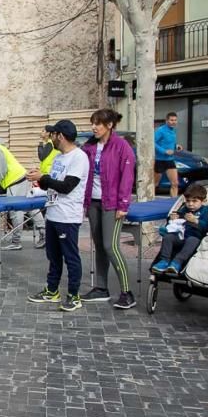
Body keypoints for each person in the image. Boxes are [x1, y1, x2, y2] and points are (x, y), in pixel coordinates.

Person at [25, 120, 89, 312]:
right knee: (53, 256)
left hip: (68, 216)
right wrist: (40, 178)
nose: (50, 137)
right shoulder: (59, 158)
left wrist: (43, 179)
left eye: (52, 134)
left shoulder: (78, 157)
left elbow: (67, 186)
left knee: (70, 257)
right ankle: (52, 290)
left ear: (60, 136)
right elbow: (51, 185)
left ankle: (74, 294)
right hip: (53, 212)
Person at [82, 108, 137, 309]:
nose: (94, 127)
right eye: (93, 123)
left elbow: (127, 178)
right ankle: (101, 288)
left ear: (110, 125)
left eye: (98, 123)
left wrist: (123, 204)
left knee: (110, 246)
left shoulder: (121, 147)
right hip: (93, 203)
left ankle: (127, 292)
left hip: (112, 203)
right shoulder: (89, 146)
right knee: (99, 247)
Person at [152, 183, 208, 275]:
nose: (190, 204)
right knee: (168, 237)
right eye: (188, 201)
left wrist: (196, 221)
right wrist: (173, 218)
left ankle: (177, 262)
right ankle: (164, 261)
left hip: (195, 238)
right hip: (181, 237)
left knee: (192, 240)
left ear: (203, 201)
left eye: (194, 201)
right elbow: (176, 219)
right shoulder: (184, 209)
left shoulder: (206, 211)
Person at [154, 112, 182, 198]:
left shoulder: (173, 131)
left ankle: (173, 204)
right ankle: (149, 202)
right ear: (167, 120)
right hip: (160, 160)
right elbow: (152, 142)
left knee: (175, 183)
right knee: (154, 184)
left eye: (175, 120)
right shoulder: (160, 130)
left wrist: (176, 146)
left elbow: (169, 143)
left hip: (170, 160)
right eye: (171, 120)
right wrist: (164, 151)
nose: (173, 122)